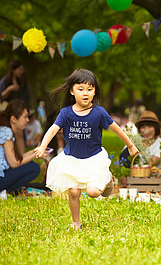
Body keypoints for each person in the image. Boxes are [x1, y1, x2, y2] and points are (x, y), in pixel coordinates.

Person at [35, 69, 139, 230]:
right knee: (74, 192)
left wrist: (131, 145)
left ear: (94, 91)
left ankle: (108, 180)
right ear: (72, 91)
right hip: (72, 159)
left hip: (93, 158)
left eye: (90, 89)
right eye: (81, 89)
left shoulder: (99, 112)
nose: (85, 93)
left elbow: (116, 129)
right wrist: (43, 146)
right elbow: (53, 129)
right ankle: (76, 222)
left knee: (92, 192)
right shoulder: (66, 113)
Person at [0, 100, 44, 198]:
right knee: (34, 168)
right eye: (25, 117)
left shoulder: (1, 129)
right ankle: (3, 192)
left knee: (31, 165)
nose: (27, 120)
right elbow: (14, 163)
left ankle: (7, 191)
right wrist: (35, 154)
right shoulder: (6, 132)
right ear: (13, 119)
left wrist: (35, 151)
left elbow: (17, 157)